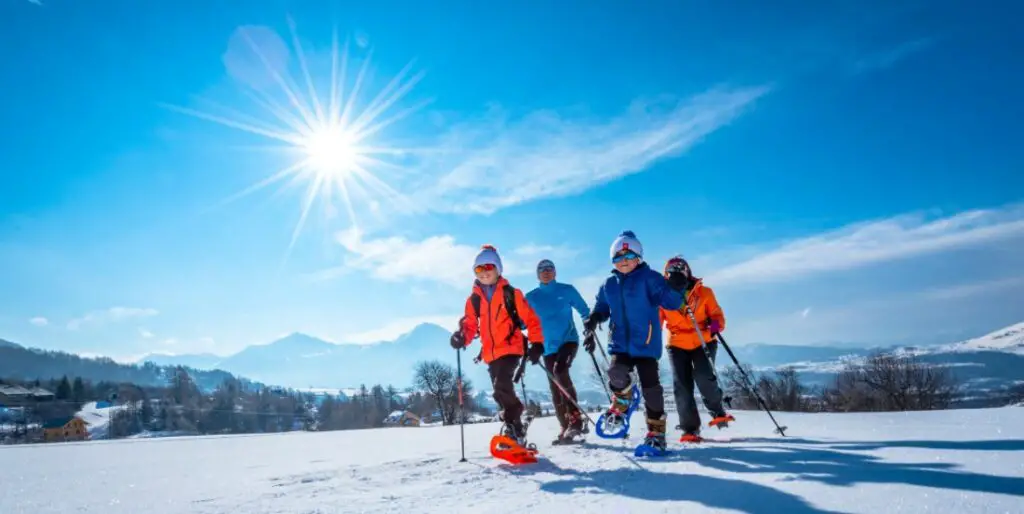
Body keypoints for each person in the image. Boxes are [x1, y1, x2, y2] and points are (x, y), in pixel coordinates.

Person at [582, 230, 686, 452]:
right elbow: (602, 307)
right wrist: (594, 318)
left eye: (628, 257)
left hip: (646, 344)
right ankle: (624, 398)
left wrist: (677, 288)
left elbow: (670, 303)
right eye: (618, 258)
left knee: (652, 389)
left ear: (639, 257)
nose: (623, 262)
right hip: (620, 342)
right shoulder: (608, 284)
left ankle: (656, 432)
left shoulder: (650, 278)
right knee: (615, 373)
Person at [450, 244, 545, 446]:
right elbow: (469, 325)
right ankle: (514, 426)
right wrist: (461, 337)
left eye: (489, 267)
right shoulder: (474, 300)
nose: (484, 273)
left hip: (511, 348)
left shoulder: (512, 294)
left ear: (498, 269)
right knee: (498, 392)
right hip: (491, 354)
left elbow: (531, 319)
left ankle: (514, 425)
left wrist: (536, 343)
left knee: (502, 385)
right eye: (479, 269)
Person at [660, 255, 734, 442]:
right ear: (666, 275)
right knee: (682, 386)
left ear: (688, 273)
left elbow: (718, 318)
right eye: (672, 272)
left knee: (703, 376)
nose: (677, 274)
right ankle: (689, 428)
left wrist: (713, 326)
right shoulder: (662, 297)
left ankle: (717, 410)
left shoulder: (704, 293)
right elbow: (656, 321)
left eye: (681, 270)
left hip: (703, 340)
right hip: (676, 343)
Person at [525, 259, 591, 442]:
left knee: (560, 371)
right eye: (542, 269)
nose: (546, 272)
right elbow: (523, 321)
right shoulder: (531, 297)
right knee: (554, 386)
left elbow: (584, 310)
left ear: (555, 272)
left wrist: (589, 325)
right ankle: (564, 425)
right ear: (537, 274)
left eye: (549, 269)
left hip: (568, 340)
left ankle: (575, 420)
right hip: (547, 348)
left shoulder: (566, 290)